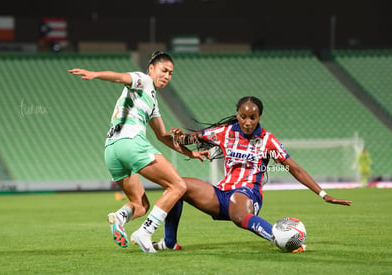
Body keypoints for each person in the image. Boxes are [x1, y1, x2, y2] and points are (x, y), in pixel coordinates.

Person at [154, 96, 352, 252]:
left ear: (259, 117)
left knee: (239, 215)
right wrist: (179, 137)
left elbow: (295, 169)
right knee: (177, 185)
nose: (247, 122)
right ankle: (170, 242)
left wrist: (323, 194)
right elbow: (190, 139)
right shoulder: (225, 132)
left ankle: (281, 238)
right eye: (243, 116)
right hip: (221, 193)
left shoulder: (267, 141)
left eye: (252, 118)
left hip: (248, 194)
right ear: (237, 114)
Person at [68, 51, 208, 253]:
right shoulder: (143, 80)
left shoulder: (151, 101)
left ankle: (119, 217)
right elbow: (120, 77)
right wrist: (96, 74)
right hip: (130, 143)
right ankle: (145, 233)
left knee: (140, 204)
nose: (167, 76)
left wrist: (189, 153)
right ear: (151, 68)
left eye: (170, 73)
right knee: (178, 186)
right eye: (164, 70)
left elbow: (162, 135)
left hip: (111, 149)